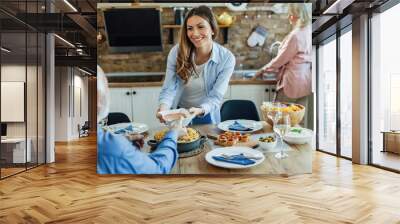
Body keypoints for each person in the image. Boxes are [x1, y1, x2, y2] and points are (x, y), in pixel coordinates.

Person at [97, 66, 187, 174]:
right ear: (98, 100)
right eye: (107, 87)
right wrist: (173, 133)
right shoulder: (111, 147)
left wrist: (122, 140)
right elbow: (158, 168)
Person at [157, 5, 235, 125]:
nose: (195, 33)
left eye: (201, 27)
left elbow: (216, 96)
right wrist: (163, 109)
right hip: (179, 114)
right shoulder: (177, 52)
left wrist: (200, 110)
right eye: (190, 28)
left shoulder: (226, 58)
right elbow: (169, 88)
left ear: (213, 29)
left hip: (206, 114)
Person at [253, 3, 312, 128]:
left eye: (291, 14)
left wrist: (261, 70)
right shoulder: (309, 32)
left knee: (279, 119)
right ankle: (294, 146)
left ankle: (280, 145)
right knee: (297, 120)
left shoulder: (296, 35)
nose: (289, 18)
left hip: (292, 82)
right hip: (305, 82)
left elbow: (280, 60)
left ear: (298, 16)